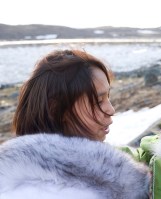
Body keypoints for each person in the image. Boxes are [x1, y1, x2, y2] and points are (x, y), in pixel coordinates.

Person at [0, 49, 150, 199]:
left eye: (108, 97)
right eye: (98, 101)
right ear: (57, 109)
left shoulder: (97, 164)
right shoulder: (48, 192)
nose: (111, 110)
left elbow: (144, 156)